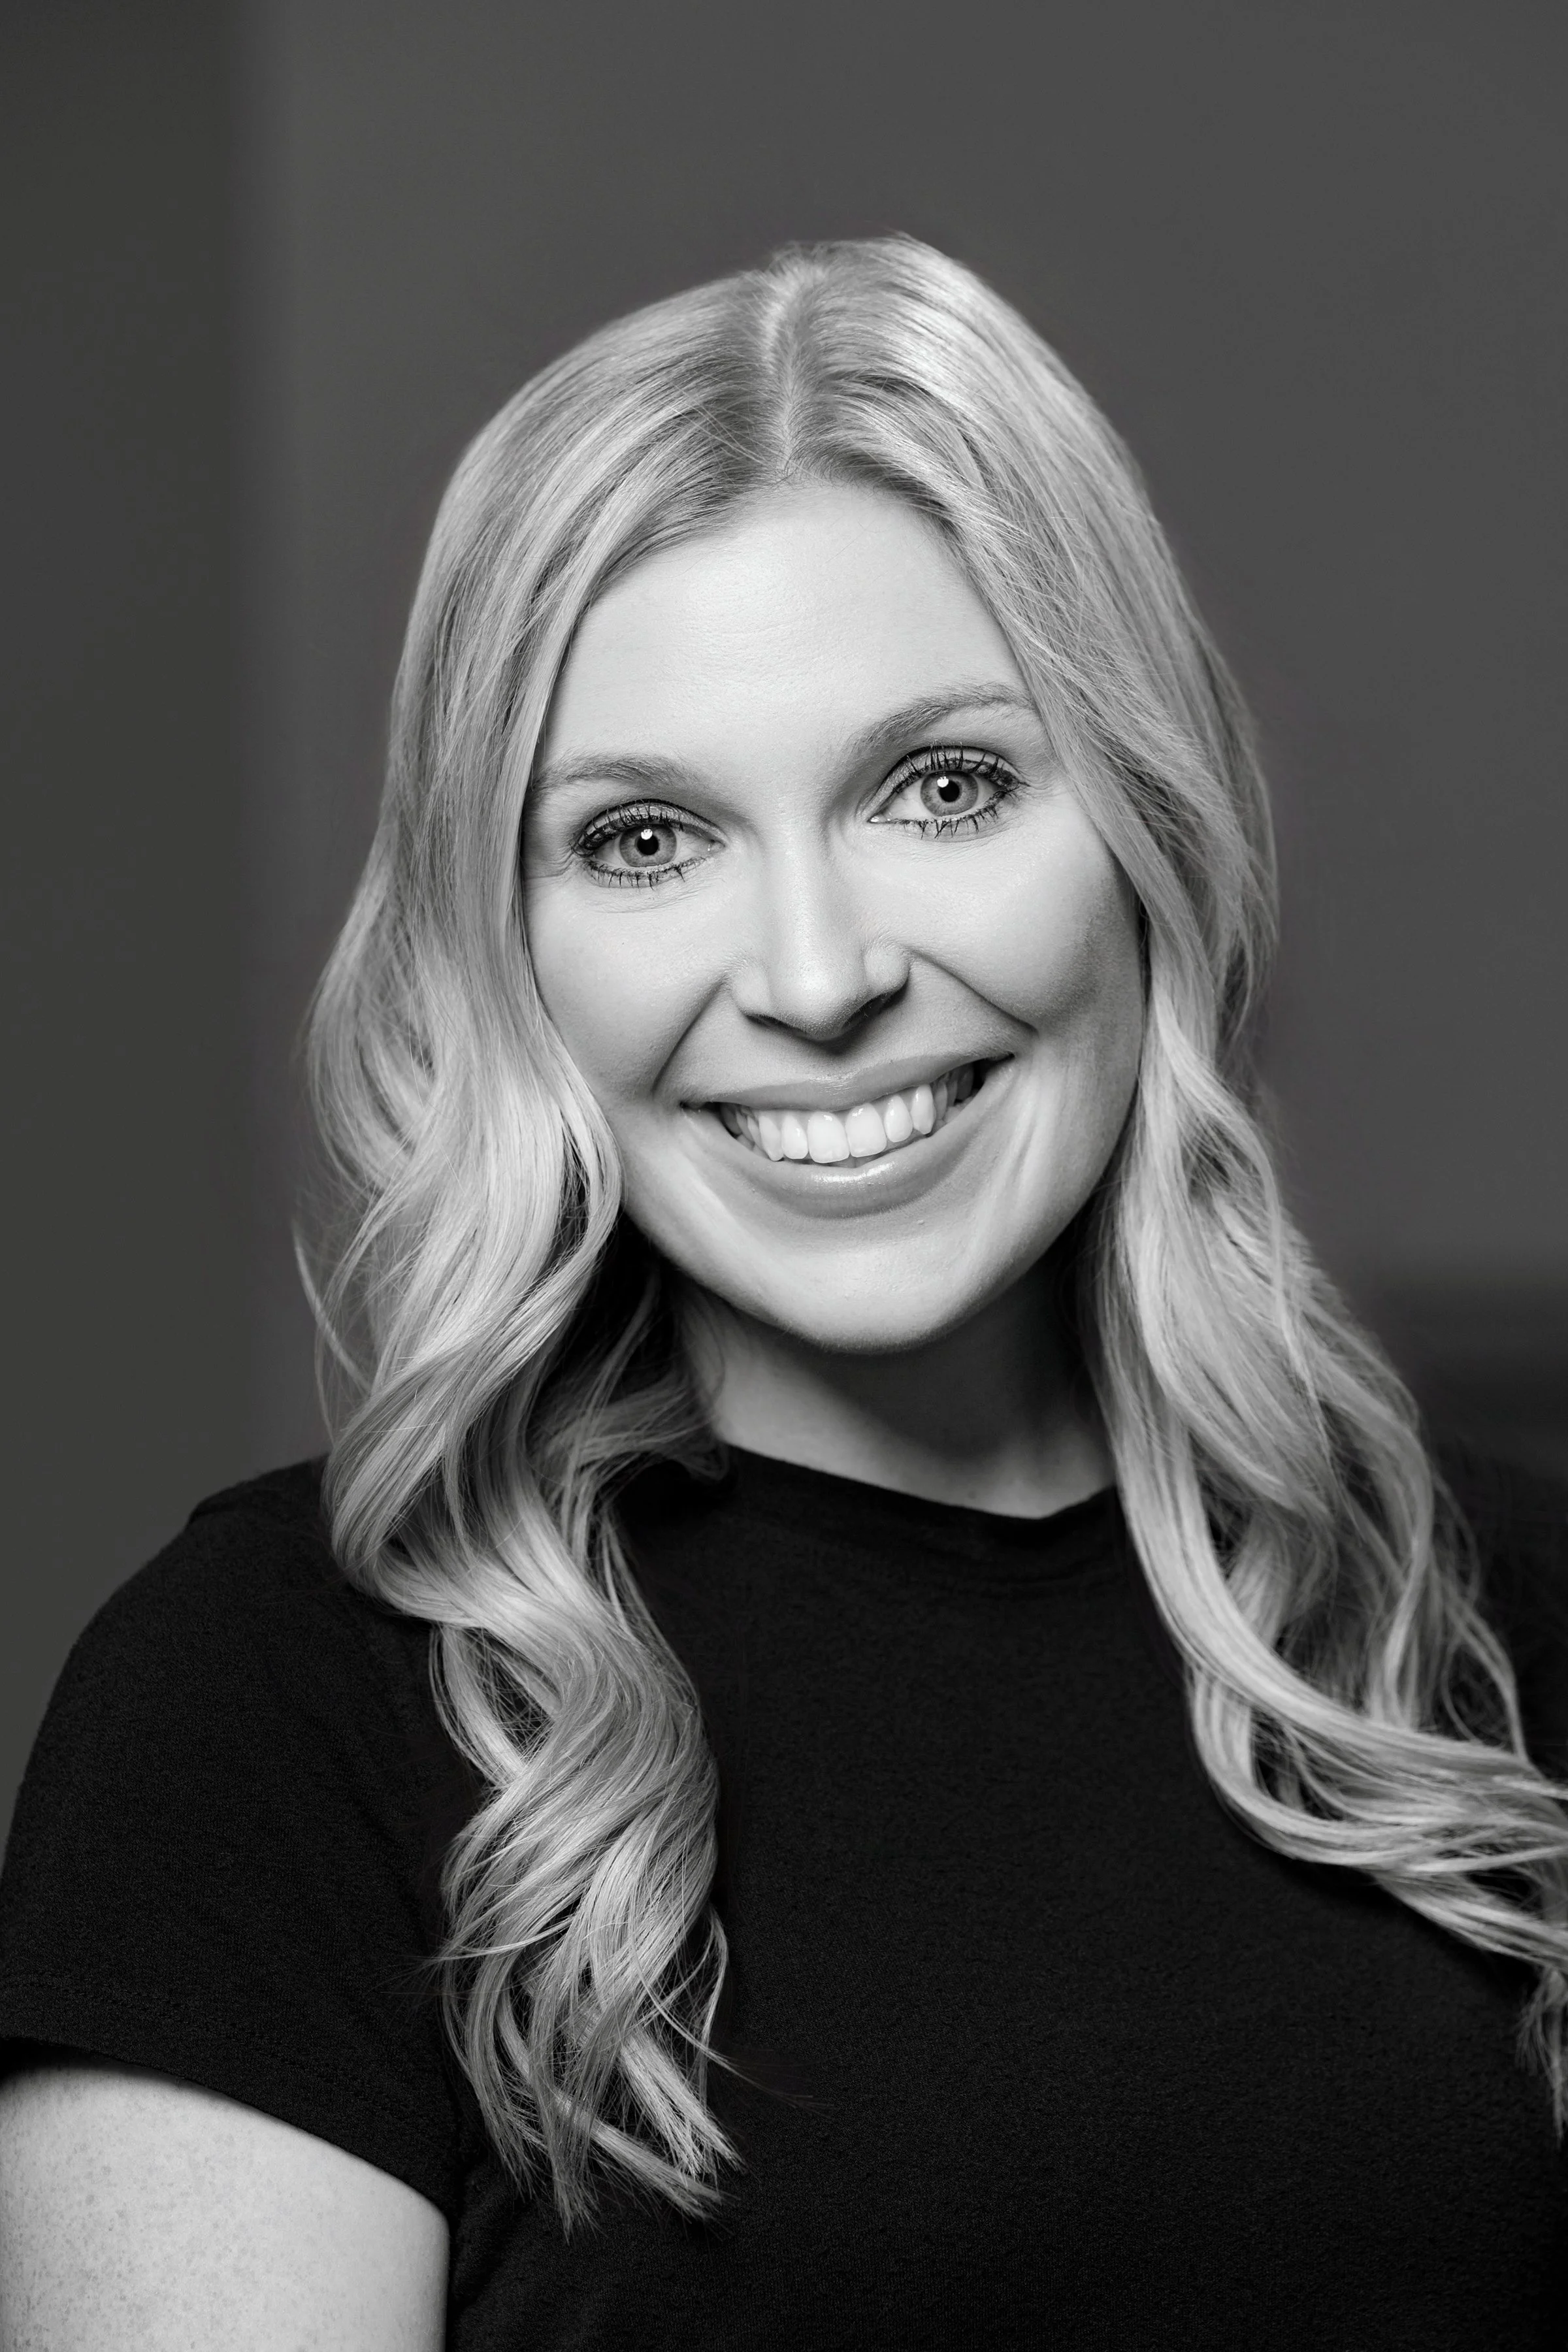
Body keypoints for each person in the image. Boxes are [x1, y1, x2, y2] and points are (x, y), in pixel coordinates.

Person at [1, 237, 1565, 2350]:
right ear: (507, 946)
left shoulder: (1503, 1634)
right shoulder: (273, 1715)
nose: (819, 979)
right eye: (645, 839)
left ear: (1147, 829)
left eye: (947, 789)